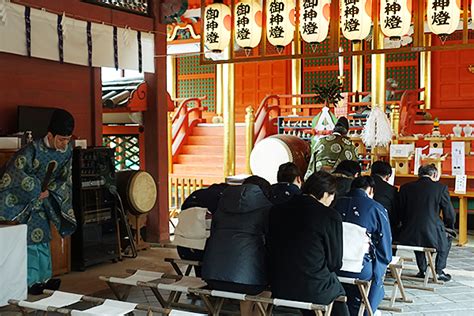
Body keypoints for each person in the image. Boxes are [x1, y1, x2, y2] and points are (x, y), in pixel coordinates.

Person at [0, 109, 76, 295]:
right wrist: (36, 189)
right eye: (61, 139)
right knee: (31, 241)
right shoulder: (30, 151)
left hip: (45, 201)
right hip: (25, 203)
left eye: (67, 139)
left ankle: (45, 277)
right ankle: (32, 281)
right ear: (50, 135)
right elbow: (13, 174)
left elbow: (65, 178)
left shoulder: (66, 152)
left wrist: (49, 191)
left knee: (44, 238)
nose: (64, 144)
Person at [269, 171, 349, 316]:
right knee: (336, 291)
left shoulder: (276, 210)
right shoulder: (329, 216)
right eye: (332, 196)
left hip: (279, 284)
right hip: (313, 288)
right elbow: (335, 263)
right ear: (326, 194)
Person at [202, 175, 273, 314]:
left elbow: (213, 233)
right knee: (269, 282)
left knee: (248, 273)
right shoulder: (267, 208)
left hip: (212, 277)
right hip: (249, 282)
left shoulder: (221, 206)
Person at [335, 176, 392, 316]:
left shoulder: (335, 203)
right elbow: (384, 244)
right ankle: (367, 310)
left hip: (332, 266)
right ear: (371, 190)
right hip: (360, 267)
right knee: (378, 268)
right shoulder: (376, 208)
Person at [398, 164, 455, 282]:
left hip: (408, 232)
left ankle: (423, 270)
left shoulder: (405, 187)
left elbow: (400, 211)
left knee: (418, 237)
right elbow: (449, 213)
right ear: (434, 174)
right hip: (432, 232)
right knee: (448, 236)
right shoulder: (441, 188)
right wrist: (450, 226)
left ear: (419, 175)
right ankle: (439, 270)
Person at [173, 183, 228, 277]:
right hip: (208, 254)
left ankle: (200, 283)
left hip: (183, 251)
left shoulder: (194, 197)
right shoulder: (221, 200)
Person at [371, 161, 399, 240]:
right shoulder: (391, 190)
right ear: (388, 176)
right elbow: (395, 213)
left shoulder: (361, 184)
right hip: (384, 226)